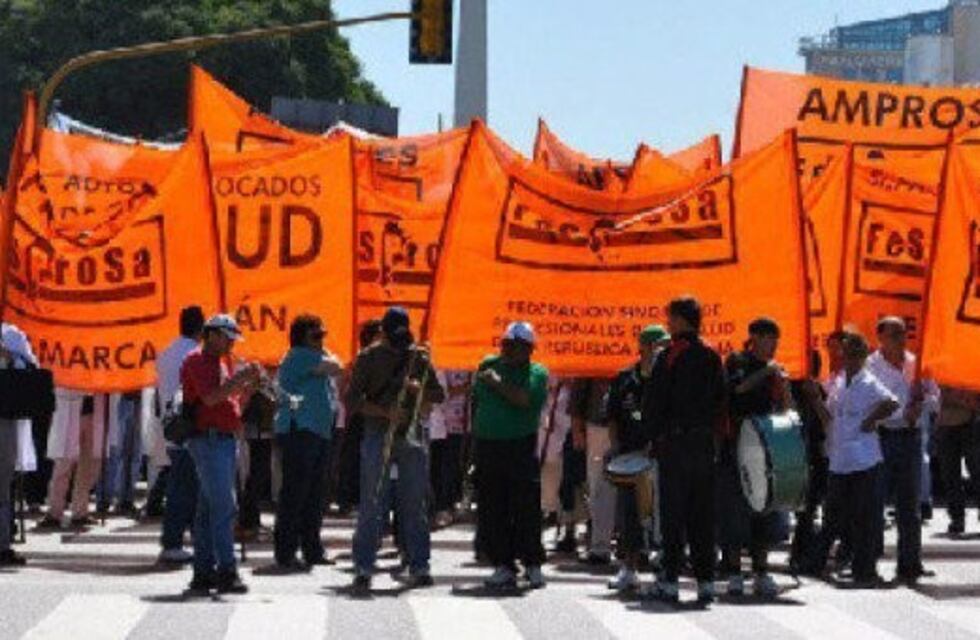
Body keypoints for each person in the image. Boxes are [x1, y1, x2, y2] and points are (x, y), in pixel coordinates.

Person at [347, 307, 444, 590]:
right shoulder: (368, 357)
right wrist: (384, 412)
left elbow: (438, 394)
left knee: (414, 502)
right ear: (383, 333)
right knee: (372, 502)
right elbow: (352, 400)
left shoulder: (419, 357)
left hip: (411, 434)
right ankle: (364, 565)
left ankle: (419, 564)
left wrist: (419, 390)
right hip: (378, 433)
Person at [644, 296, 726, 605]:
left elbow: (654, 402)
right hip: (704, 445)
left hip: (675, 445)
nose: (667, 322)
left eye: (670, 317)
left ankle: (670, 580)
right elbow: (721, 400)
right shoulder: (711, 356)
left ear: (680, 320)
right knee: (703, 514)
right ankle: (705, 581)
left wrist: (653, 436)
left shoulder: (669, 356)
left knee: (673, 515)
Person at [807, 333, 898, 587]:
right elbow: (829, 419)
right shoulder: (837, 383)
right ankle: (819, 561)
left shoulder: (868, 382)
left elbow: (892, 402)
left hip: (864, 459)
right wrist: (815, 399)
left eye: (855, 354)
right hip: (840, 458)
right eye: (846, 353)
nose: (849, 359)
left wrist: (871, 420)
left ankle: (865, 569)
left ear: (863, 356)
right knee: (833, 515)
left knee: (864, 517)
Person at [181, 314, 260, 595]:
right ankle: (227, 569)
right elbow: (211, 398)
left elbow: (228, 402)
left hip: (222, 439)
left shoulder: (220, 363)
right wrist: (239, 379)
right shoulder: (197, 360)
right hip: (209, 440)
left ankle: (203, 571)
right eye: (227, 338)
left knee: (208, 511)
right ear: (212, 335)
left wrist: (248, 389)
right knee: (225, 508)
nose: (230, 345)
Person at [718, 318, 792, 598]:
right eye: (769, 339)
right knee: (735, 510)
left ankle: (761, 571)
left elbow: (785, 409)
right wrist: (766, 373)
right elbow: (737, 389)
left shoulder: (775, 371)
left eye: (776, 340)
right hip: (737, 444)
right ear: (755, 338)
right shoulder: (738, 361)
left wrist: (783, 387)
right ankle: (735, 572)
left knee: (765, 509)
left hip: (766, 447)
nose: (773, 345)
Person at [473, 321, 549, 590]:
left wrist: (498, 384)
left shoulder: (537, 373)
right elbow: (479, 399)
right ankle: (503, 564)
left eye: (512, 346)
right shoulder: (487, 365)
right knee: (493, 507)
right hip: (488, 445)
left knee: (525, 506)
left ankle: (533, 563)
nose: (505, 350)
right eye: (504, 344)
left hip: (520, 446)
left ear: (527, 349)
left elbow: (524, 400)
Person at [866, 316, 939, 584]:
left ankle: (910, 562)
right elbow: (870, 404)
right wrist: (900, 412)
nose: (901, 339)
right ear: (880, 337)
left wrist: (922, 404)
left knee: (910, 505)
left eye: (904, 333)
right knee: (875, 502)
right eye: (894, 334)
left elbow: (935, 397)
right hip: (882, 437)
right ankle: (868, 560)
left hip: (911, 438)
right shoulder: (870, 367)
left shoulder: (916, 363)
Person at [603, 324, 670, 592]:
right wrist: (618, 450)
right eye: (656, 346)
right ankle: (628, 568)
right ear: (643, 347)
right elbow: (612, 416)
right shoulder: (624, 378)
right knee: (630, 514)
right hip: (631, 456)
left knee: (664, 517)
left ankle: (664, 570)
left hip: (663, 457)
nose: (661, 351)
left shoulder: (671, 379)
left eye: (664, 346)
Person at [273, 314, 343, 569]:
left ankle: (311, 549)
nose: (321, 341)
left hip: (317, 432)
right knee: (296, 493)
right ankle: (286, 550)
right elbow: (337, 365)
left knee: (315, 494)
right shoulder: (301, 355)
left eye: (323, 335)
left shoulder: (313, 357)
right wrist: (323, 352)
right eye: (316, 336)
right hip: (300, 431)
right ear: (302, 337)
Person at [155, 306, 204, 564]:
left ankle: (192, 540)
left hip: (172, 428)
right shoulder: (195, 355)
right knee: (184, 490)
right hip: (191, 429)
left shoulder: (166, 354)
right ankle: (173, 542)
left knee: (186, 488)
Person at [0, 322, 38, 566]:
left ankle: (2, 543)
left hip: (5, 420)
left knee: (3, 485)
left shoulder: (12, 336)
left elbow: (31, 371)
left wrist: (10, 357)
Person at [336, 320, 383, 515]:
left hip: (374, 415)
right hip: (359, 415)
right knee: (354, 458)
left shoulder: (381, 360)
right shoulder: (359, 360)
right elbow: (344, 390)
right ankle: (348, 500)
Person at [571, 377, 615, 564]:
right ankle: (600, 546)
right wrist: (577, 428)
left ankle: (639, 547)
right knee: (600, 488)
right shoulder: (595, 353)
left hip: (634, 425)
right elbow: (580, 387)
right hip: (599, 425)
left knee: (638, 489)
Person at [935, 386, 980, 536]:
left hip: (972, 424)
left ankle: (958, 518)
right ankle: (957, 518)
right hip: (947, 425)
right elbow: (942, 395)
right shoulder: (945, 370)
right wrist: (965, 400)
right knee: (950, 475)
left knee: (977, 471)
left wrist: (962, 399)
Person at [429, 370, 471, 527]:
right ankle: (441, 507)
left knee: (454, 465)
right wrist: (465, 388)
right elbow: (442, 393)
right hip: (442, 425)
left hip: (461, 423)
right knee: (442, 467)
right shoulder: (441, 364)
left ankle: (452, 504)